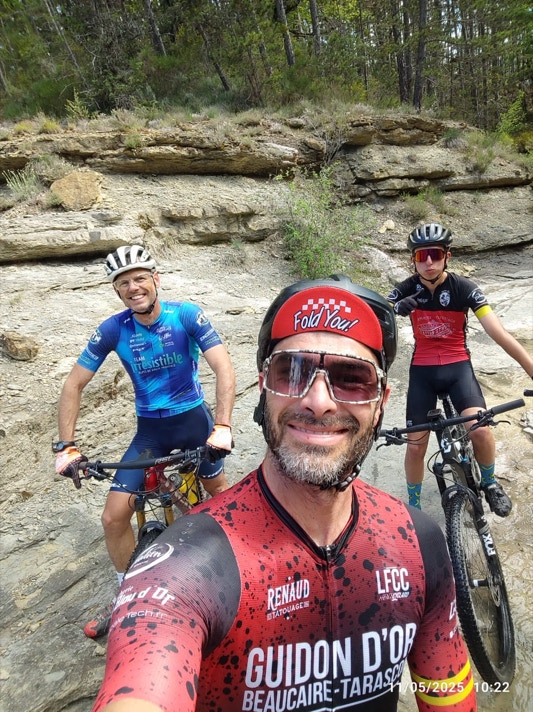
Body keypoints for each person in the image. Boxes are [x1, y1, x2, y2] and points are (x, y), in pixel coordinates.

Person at [92, 275, 477, 712]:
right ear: (263, 387)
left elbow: (450, 696)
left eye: (352, 378)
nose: (319, 401)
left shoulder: (420, 544)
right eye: (291, 372)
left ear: (381, 402)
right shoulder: (188, 566)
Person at [54, 244, 235, 639]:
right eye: (124, 283)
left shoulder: (186, 315)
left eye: (139, 278)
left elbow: (223, 367)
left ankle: (239, 564)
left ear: (156, 279)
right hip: (150, 431)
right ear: (117, 290)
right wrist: (66, 446)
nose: (133, 287)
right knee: (113, 517)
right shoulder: (114, 329)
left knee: (218, 491)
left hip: (194, 422)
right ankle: (125, 592)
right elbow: (73, 384)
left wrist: (222, 426)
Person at [387, 223, 533, 516]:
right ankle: (414, 508)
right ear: (413, 259)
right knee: (415, 446)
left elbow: (498, 333)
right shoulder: (405, 289)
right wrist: (392, 311)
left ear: (447, 257)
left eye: (436, 254)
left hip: (457, 367)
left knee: (480, 430)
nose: (429, 262)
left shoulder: (465, 289)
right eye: (422, 256)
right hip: (423, 370)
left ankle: (490, 483)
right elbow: (373, 315)